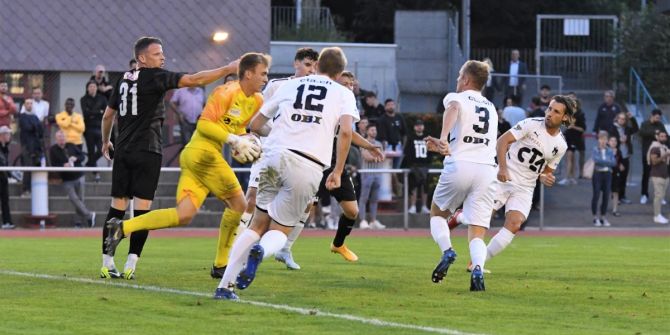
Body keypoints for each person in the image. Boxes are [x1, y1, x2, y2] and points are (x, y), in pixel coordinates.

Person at [214, 47, 359, 300]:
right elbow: (346, 132)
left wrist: (278, 136)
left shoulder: (290, 85)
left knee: (257, 223)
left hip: (273, 158)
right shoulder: (343, 93)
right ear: (338, 72)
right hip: (307, 165)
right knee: (279, 231)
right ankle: (262, 251)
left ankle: (224, 287)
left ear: (319, 65)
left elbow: (256, 124)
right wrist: (336, 171)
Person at [98, 36, 240, 280]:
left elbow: (107, 116)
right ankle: (131, 263)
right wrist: (227, 68)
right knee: (142, 211)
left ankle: (107, 262)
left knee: (117, 206)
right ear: (142, 58)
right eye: (157, 54)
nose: (162, 58)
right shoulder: (156, 77)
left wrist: (105, 141)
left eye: (162, 53)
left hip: (123, 151)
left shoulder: (122, 78)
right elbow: (195, 79)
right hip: (148, 151)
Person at [448, 95, 574, 269]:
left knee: (514, 224)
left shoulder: (561, 145)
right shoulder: (531, 124)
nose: (549, 113)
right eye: (549, 108)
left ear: (565, 118)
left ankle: (477, 263)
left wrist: (545, 178)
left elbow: (545, 172)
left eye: (556, 111)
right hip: (503, 178)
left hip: (525, 187)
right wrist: (502, 168)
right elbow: (502, 141)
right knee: (481, 218)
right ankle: (460, 216)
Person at [275, 70, 385, 269]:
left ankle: (338, 244)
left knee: (352, 211)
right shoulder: (329, 102)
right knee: (306, 207)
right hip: (317, 163)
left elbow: (348, 133)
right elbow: (344, 132)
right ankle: (284, 249)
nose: (348, 87)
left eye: (351, 84)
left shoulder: (346, 105)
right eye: (344, 83)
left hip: (337, 167)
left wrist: (368, 145)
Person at [235, 47, 319, 274]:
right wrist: (265, 137)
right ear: (296, 64)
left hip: (302, 157)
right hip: (270, 153)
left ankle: (285, 249)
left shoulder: (321, 90)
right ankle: (237, 254)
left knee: (306, 205)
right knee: (251, 200)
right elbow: (258, 120)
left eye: (315, 66)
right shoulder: (276, 86)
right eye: (308, 64)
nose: (311, 70)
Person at [423, 60, 497, 292]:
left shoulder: (458, 98)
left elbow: (453, 108)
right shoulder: (491, 107)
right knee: (477, 230)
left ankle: (447, 250)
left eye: (459, 76)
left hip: (461, 163)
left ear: (466, 79)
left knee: (437, 214)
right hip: (486, 169)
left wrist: (443, 138)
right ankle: (477, 268)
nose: (457, 80)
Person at [49, 130, 95, 228]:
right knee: (74, 199)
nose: (61, 139)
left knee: (80, 200)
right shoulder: (53, 150)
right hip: (67, 179)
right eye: (59, 138)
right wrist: (63, 165)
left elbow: (82, 157)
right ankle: (89, 215)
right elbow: (53, 165)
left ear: (65, 138)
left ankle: (78, 223)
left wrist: (76, 159)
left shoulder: (71, 145)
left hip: (79, 176)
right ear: (56, 139)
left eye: (63, 137)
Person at [358, 123, 386, 229]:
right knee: (364, 198)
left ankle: (373, 221)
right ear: (367, 131)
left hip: (378, 173)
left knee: (375, 199)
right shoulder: (363, 142)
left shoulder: (379, 143)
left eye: (375, 130)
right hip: (367, 173)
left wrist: (375, 156)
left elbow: (382, 157)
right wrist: (376, 156)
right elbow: (366, 157)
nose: (374, 132)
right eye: (372, 130)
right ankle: (363, 220)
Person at [606, 111, 638, 203]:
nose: (621, 120)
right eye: (620, 118)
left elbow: (636, 129)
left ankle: (622, 196)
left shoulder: (627, 128)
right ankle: (615, 196)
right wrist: (620, 141)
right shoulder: (613, 128)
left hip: (626, 155)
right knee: (616, 177)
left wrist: (632, 118)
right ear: (617, 119)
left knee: (624, 176)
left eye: (624, 119)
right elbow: (611, 143)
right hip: (616, 156)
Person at [403, 119, 432, 214]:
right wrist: (411, 163)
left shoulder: (427, 138)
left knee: (425, 187)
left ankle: (424, 206)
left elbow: (431, 151)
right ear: (414, 127)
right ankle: (412, 206)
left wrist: (428, 162)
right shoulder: (410, 138)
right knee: (413, 187)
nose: (419, 127)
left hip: (425, 165)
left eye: (421, 125)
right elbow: (407, 152)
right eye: (417, 125)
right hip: (414, 166)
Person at [80, 81, 107, 181]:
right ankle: (96, 173)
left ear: (97, 88)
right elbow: (86, 113)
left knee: (102, 150)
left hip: (100, 127)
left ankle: (89, 163)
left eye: (94, 86)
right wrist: (98, 111)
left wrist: (93, 112)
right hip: (88, 128)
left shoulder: (102, 98)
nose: (92, 88)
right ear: (87, 88)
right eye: (90, 86)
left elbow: (105, 112)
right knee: (91, 151)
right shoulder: (83, 99)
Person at [638, 109, 665, 204]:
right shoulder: (645, 124)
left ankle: (659, 195)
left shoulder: (660, 125)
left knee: (659, 175)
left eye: (659, 118)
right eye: (657, 117)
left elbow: (665, 136)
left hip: (659, 154)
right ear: (652, 116)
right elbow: (641, 133)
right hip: (647, 153)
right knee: (646, 174)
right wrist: (655, 133)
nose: (658, 119)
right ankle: (644, 194)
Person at [559, 93, 586, 185]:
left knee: (570, 156)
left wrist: (573, 126)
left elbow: (583, 128)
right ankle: (572, 177)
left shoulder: (579, 114)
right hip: (568, 137)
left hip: (575, 138)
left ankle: (568, 177)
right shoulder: (566, 112)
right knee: (570, 157)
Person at [18, 99, 44, 197]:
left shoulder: (35, 117)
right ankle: (25, 189)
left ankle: (36, 189)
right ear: (24, 105)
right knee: (28, 168)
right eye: (27, 104)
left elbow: (41, 130)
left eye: (31, 103)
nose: (29, 105)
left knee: (37, 168)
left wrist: (36, 127)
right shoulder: (22, 117)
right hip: (27, 146)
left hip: (37, 146)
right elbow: (28, 128)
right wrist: (36, 126)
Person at [591, 131, 616, 227]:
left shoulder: (609, 150)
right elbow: (596, 160)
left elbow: (613, 163)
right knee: (596, 195)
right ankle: (595, 217)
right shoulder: (595, 149)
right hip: (597, 174)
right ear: (598, 139)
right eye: (601, 139)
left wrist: (604, 162)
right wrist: (607, 161)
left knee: (606, 196)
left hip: (608, 174)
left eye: (605, 139)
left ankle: (603, 217)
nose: (603, 141)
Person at [647, 131, 670, 224]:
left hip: (665, 175)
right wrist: (665, 155)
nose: (664, 138)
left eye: (665, 136)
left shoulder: (664, 147)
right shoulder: (655, 148)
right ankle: (657, 215)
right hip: (657, 175)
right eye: (662, 136)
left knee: (661, 196)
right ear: (657, 137)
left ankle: (659, 214)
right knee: (658, 196)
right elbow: (654, 162)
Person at [0, 126, 15, 229]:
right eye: (8, 134)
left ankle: (7, 221)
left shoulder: (5, 147)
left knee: (5, 200)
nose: (9, 136)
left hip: (3, 177)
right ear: (2, 135)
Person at [609, 136, 623, 217]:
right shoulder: (606, 150)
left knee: (616, 192)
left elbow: (620, 161)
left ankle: (615, 209)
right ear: (608, 142)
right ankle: (603, 208)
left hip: (616, 173)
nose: (613, 142)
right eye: (612, 140)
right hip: (607, 173)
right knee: (606, 191)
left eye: (615, 141)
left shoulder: (619, 151)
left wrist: (621, 166)